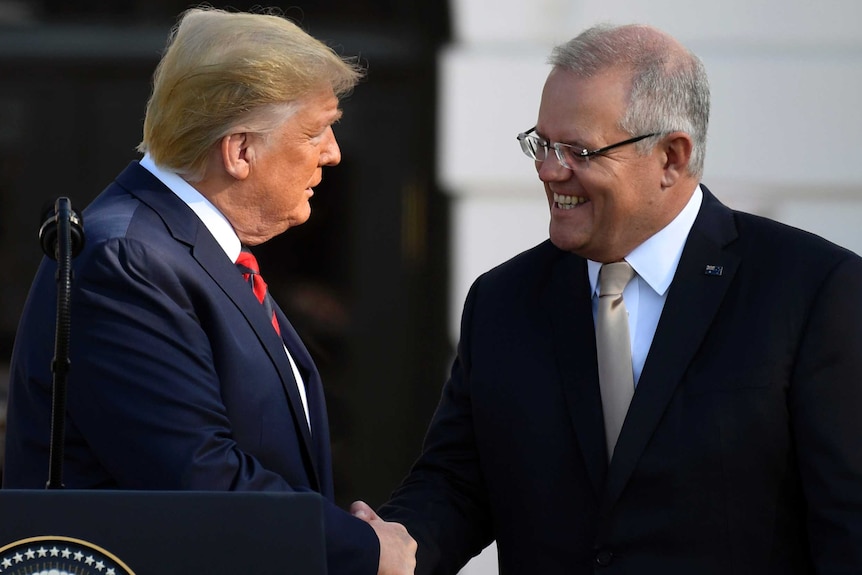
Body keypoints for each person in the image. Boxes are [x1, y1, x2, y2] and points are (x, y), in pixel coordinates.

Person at [367, 23, 862, 574]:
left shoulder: (812, 290)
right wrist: (385, 549)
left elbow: (849, 523)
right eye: (543, 144)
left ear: (672, 157)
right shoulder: (504, 300)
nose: (551, 171)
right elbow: (458, 482)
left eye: (578, 150)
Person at [2, 7, 415, 575]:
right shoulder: (129, 259)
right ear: (240, 150)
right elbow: (199, 478)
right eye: (316, 130)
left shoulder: (185, 251)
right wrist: (362, 549)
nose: (333, 152)